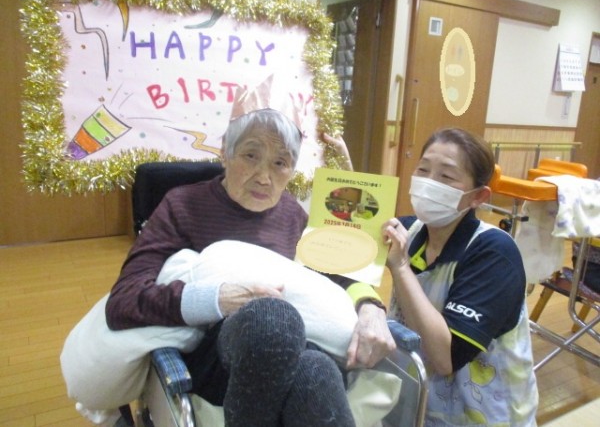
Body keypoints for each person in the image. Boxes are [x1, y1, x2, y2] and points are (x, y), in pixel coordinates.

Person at [106, 107, 395, 427]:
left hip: (299, 351)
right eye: (251, 156)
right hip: (215, 357)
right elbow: (123, 300)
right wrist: (217, 299)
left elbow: (337, 275)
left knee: (317, 370)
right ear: (225, 153)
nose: (264, 177)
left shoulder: (292, 215)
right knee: (273, 318)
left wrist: (371, 307)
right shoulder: (182, 206)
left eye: (280, 163)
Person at [382, 128, 538, 426]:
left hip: (485, 416)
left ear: (478, 196)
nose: (429, 183)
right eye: (423, 170)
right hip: (423, 408)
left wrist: (401, 268)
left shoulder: (495, 253)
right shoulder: (410, 231)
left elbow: (446, 358)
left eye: (446, 176)